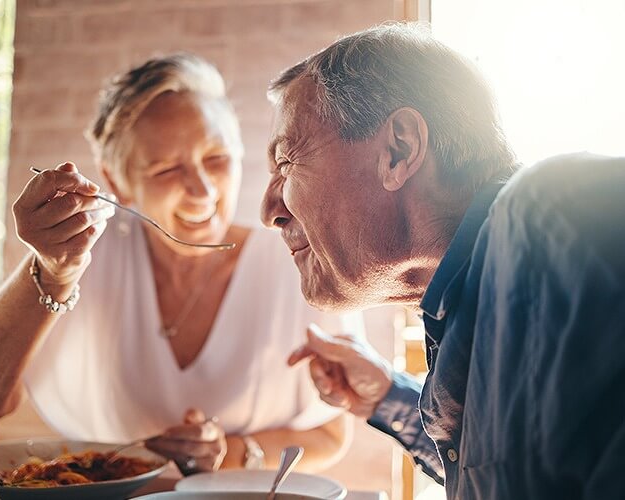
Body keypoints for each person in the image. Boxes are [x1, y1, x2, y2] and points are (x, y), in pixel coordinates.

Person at [260, 23, 625, 499]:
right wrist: (387, 397)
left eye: (287, 162)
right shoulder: (474, 301)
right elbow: (510, 464)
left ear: (399, 149)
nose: (270, 210)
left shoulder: (551, 221)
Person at [0, 54, 364, 473]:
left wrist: (229, 454)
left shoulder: (300, 261)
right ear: (116, 182)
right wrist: (52, 272)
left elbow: (330, 435)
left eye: (216, 159)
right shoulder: (78, 254)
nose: (202, 189)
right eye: (166, 169)